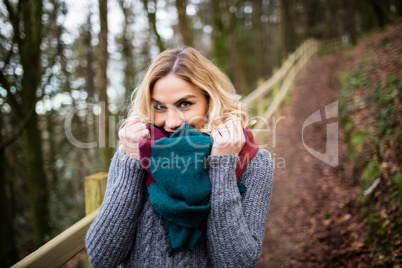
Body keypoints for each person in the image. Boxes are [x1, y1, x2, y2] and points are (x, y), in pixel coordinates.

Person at [85, 47, 274, 268]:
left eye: (185, 104)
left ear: (210, 100)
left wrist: (222, 164)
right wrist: (131, 164)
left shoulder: (253, 161)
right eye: (159, 107)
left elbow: (237, 263)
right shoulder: (134, 152)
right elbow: (101, 257)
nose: (172, 121)